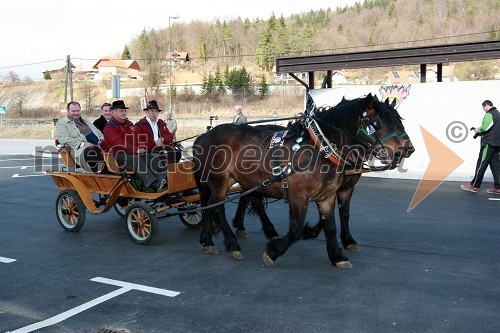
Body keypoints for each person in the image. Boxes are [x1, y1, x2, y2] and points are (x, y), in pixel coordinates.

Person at [103, 100, 167, 192]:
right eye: (121, 111)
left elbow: (136, 139)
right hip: (117, 155)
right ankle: (152, 184)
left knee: (152, 156)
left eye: (125, 111)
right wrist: (136, 150)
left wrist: (142, 147)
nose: (124, 112)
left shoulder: (128, 124)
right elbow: (119, 144)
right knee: (136, 159)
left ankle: (163, 180)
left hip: (131, 151)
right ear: (113, 112)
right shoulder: (109, 127)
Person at [461, 100, 500, 194]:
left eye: (483, 108)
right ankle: (498, 187)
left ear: (486, 105)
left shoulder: (490, 114)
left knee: (481, 164)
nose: (483, 110)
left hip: (488, 144)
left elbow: (485, 127)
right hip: (497, 144)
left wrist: (477, 130)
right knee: (496, 166)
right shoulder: (498, 114)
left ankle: (474, 185)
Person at [55, 101, 104, 172]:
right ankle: (94, 173)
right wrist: (83, 144)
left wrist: (103, 140)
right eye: (73, 111)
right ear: (68, 111)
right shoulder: (62, 124)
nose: (76, 113)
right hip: (79, 149)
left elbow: (98, 132)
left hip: (98, 146)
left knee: (116, 151)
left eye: (77, 111)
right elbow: (64, 139)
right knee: (91, 152)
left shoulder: (86, 121)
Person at [135, 100, 180, 164]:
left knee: (177, 153)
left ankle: (171, 171)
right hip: (149, 151)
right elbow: (140, 142)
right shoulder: (140, 125)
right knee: (158, 157)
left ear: (158, 113)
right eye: (152, 111)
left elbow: (170, 136)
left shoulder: (161, 123)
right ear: (147, 112)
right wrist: (155, 143)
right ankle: (165, 171)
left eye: (156, 111)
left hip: (162, 149)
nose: (154, 113)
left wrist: (163, 139)